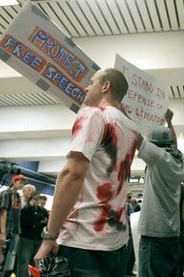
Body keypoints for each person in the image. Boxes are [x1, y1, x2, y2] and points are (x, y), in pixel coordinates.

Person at [34, 68, 139, 277]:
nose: (86, 87)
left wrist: (50, 235)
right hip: (117, 243)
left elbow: (72, 174)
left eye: (91, 82)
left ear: (105, 86)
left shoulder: (94, 114)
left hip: (83, 240)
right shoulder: (132, 128)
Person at [137, 109, 184, 277]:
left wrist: (119, 112)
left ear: (153, 145)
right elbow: (174, 145)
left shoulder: (157, 158)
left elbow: (136, 138)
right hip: (172, 234)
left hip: (154, 234)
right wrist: (169, 122)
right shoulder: (178, 160)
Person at [0, 174, 26, 276]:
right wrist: (3, 232)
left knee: (8, 259)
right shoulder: (6, 194)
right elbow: (3, 213)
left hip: (14, 231)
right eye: (20, 182)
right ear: (13, 182)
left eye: (23, 183)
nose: (22, 185)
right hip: (4, 230)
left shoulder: (17, 196)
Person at [17, 192, 48, 277]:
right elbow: (24, 222)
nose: (37, 200)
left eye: (38, 198)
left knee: (35, 262)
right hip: (26, 239)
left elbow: (45, 222)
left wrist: (40, 221)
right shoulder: (26, 209)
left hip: (38, 239)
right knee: (23, 261)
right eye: (35, 198)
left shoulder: (43, 210)